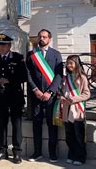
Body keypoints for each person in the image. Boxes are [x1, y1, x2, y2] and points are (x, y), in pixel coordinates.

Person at [26, 29, 63, 162]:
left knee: (51, 124)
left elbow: (59, 75)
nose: (41, 39)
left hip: (50, 97)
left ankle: (52, 153)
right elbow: (28, 74)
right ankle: (37, 152)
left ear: (49, 39)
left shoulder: (56, 54)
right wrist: (35, 90)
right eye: (40, 36)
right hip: (36, 95)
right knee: (36, 124)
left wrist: (50, 91)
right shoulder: (31, 54)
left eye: (44, 37)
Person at [0, 33, 27, 164]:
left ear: (9, 46)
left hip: (15, 96)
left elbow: (23, 76)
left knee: (16, 125)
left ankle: (17, 152)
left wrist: (8, 80)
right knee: (1, 124)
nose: (1, 48)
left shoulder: (17, 57)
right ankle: (2, 151)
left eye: (4, 45)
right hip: (1, 97)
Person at [60, 55, 90, 166]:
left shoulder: (82, 77)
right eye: (67, 63)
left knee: (79, 135)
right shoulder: (65, 77)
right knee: (69, 134)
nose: (69, 65)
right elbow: (62, 91)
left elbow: (87, 94)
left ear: (76, 64)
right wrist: (62, 97)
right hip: (67, 109)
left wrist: (73, 98)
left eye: (71, 63)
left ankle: (81, 157)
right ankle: (71, 154)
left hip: (77, 110)